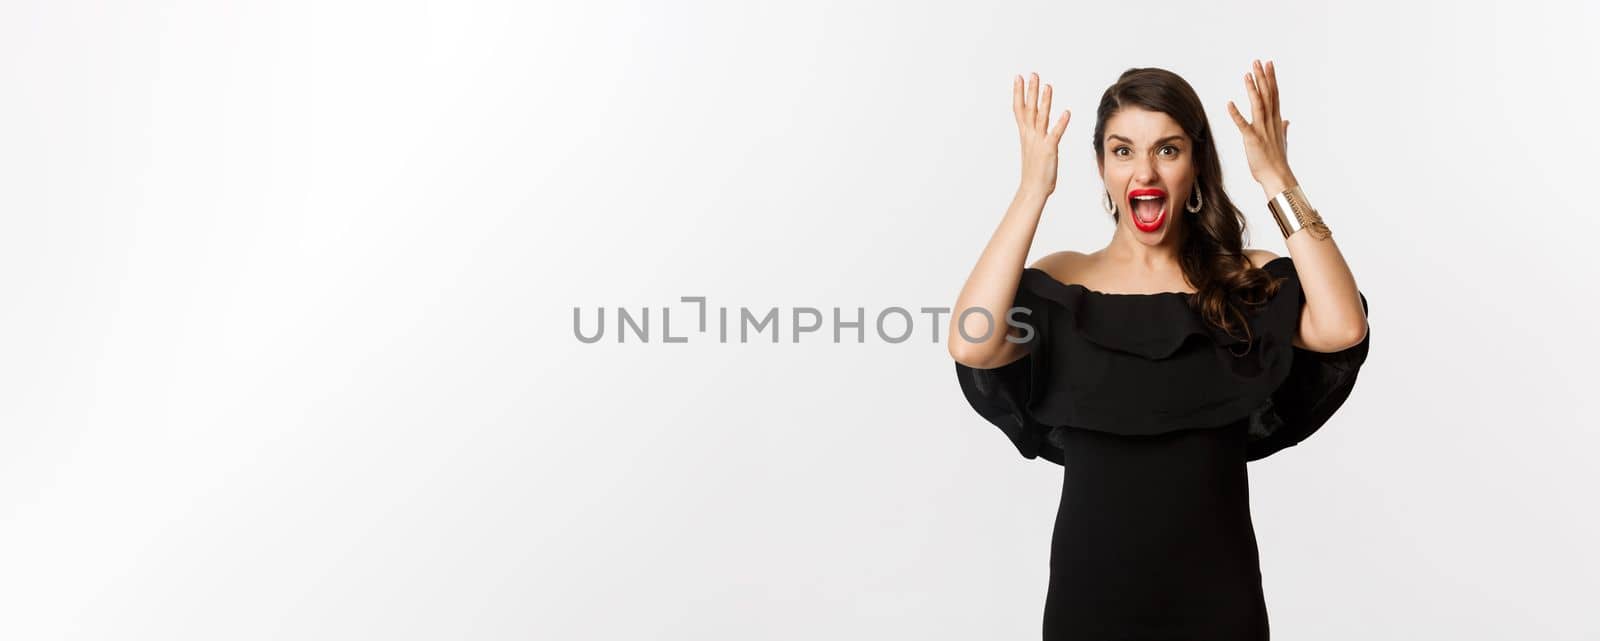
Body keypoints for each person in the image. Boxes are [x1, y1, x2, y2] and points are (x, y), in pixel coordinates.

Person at [947, 61, 1371, 640]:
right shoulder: (1064, 284)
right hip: (1089, 605)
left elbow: (1343, 325)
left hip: (1219, 606)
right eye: (1123, 151)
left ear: (1195, 165)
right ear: (1100, 166)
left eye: (1167, 150)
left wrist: (1277, 177)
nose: (1143, 170)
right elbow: (971, 341)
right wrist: (1031, 191)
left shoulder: (1243, 282)